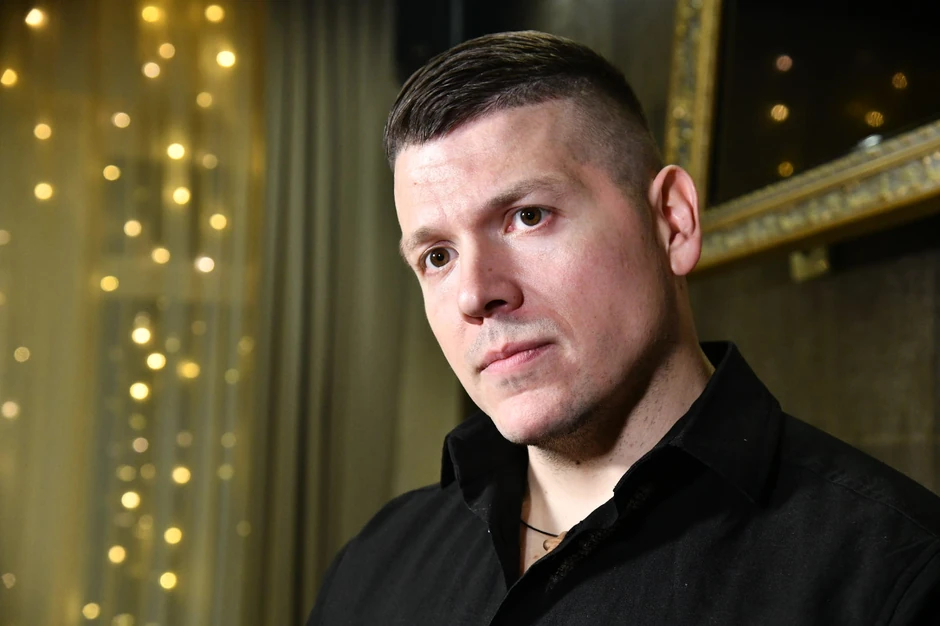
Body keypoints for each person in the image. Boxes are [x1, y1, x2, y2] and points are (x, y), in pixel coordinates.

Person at [306, 31, 940, 625]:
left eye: (528, 216)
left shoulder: (895, 577)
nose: (475, 294)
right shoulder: (372, 566)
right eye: (437, 256)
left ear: (672, 221)